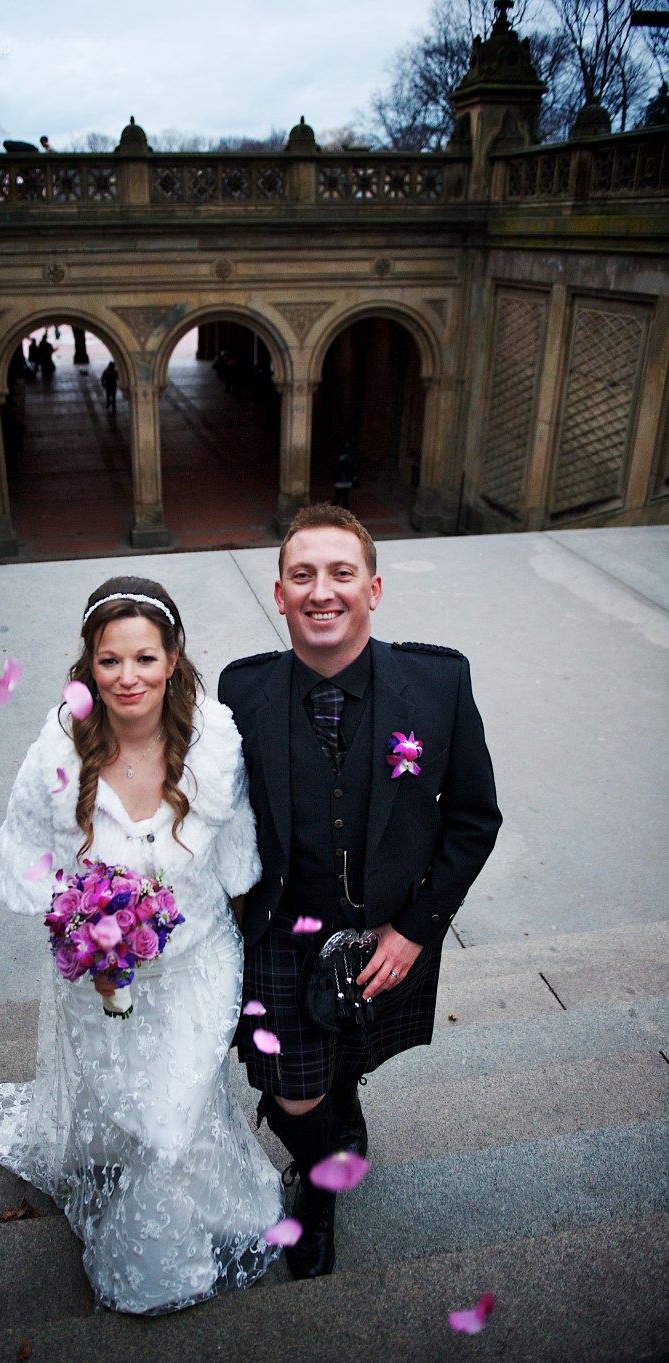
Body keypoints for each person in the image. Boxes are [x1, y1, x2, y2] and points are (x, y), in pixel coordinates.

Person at [0, 578, 283, 1315]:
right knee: (135, 1106)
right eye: (109, 661)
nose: (128, 678)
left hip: (199, 963)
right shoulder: (58, 748)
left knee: (172, 1112)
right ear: (87, 665)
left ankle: (160, 1260)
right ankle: (202, 1203)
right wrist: (79, 922)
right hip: (105, 983)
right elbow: (24, 857)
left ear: (173, 658)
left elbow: (239, 858)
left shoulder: (215, 743)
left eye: (144, 658)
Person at [218, 504, 501, 1282]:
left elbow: (475, 818)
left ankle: (345, 1097)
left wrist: (417, 929)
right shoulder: (240, 693)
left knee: (343, 1061)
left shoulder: (439, 683)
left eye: (341, 573)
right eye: (302, 575)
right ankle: (319, 1186)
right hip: (279, 928)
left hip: (387, 929)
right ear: (278, 594)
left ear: (373, 589)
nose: (322, 591)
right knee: (286, 1088)